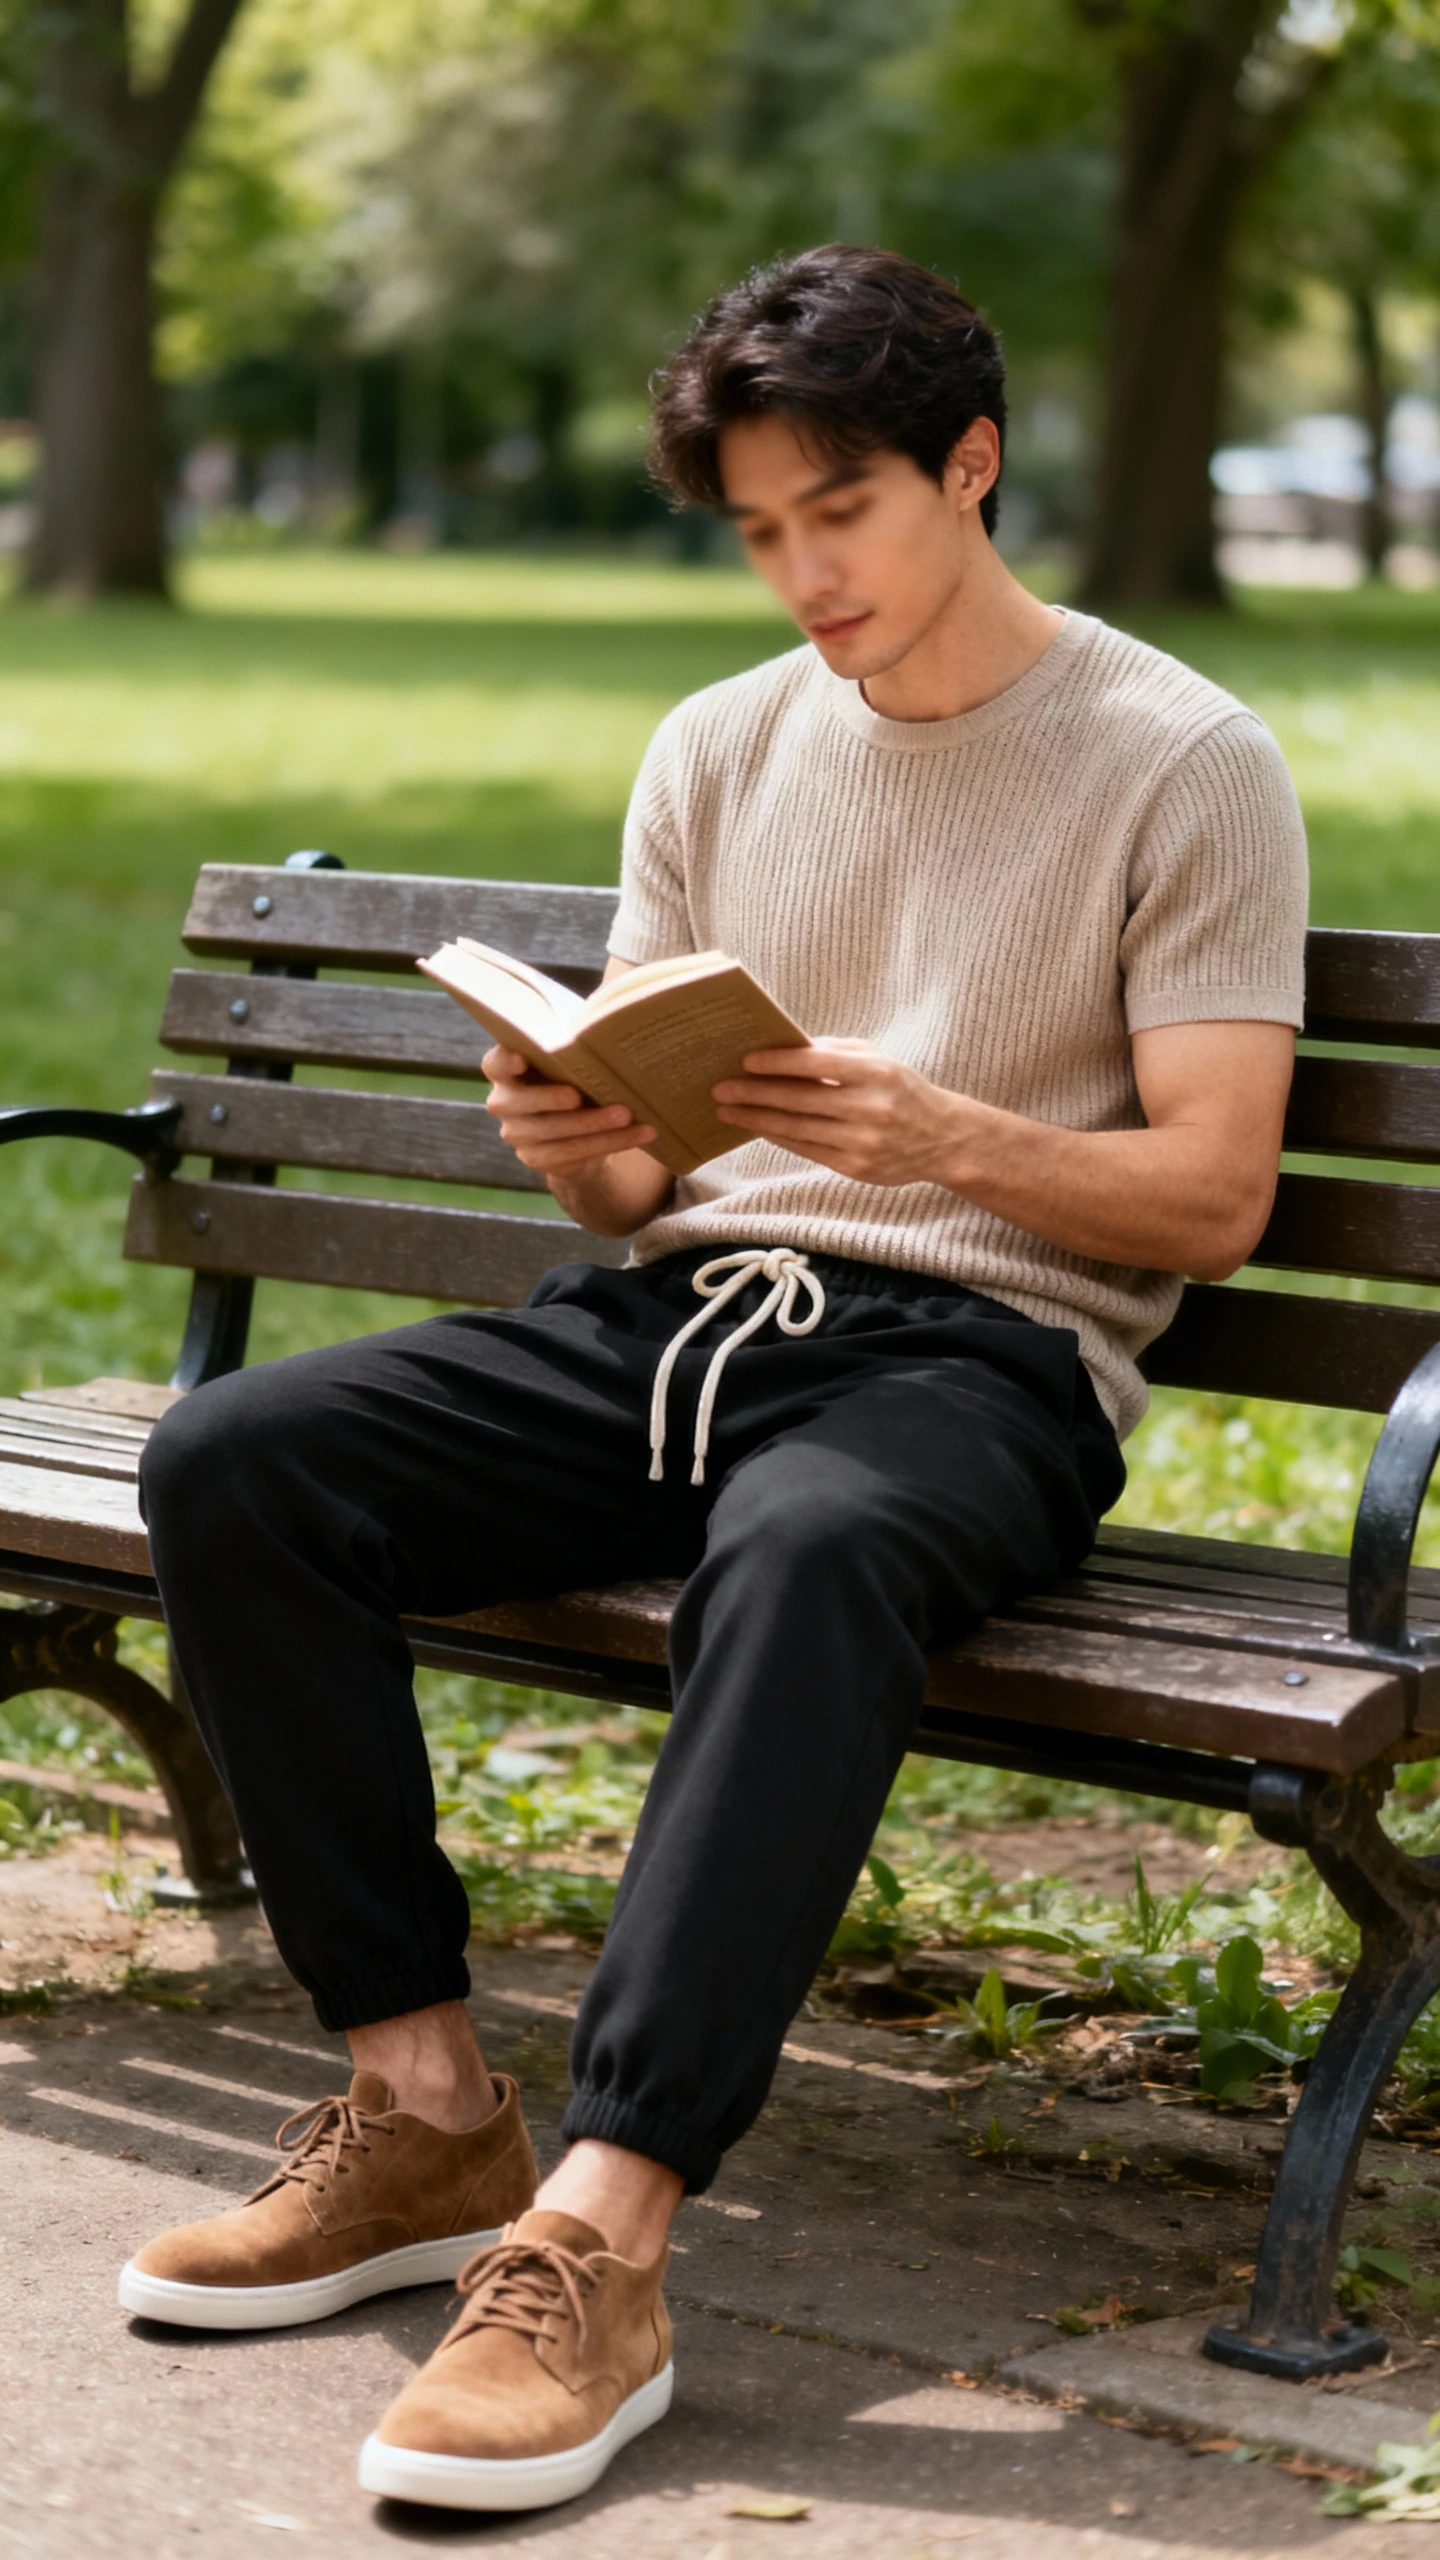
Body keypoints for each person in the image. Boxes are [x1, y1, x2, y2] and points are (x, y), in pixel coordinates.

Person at [123, 244, 1306, 2512]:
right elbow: (645, 1177)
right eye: (759, 529)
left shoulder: (1183, 758)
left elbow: (1217, 1198)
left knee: (812, 1539)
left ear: (969, 466)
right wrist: (587, 1148)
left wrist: (940, 1134)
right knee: (242, 1455)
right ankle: (429, 2111)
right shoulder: (720, 744)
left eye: (838, 510)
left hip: (982, 1362)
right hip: (677, 1317)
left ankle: (608, 2229)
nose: (801, 572)